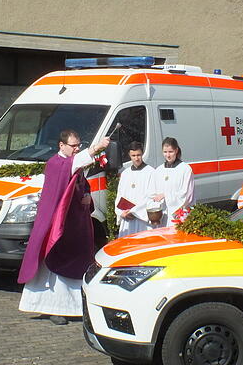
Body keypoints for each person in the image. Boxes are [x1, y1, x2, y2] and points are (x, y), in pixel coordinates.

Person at [18, 130, 110, 325]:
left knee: (74, 261)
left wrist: (87, 196)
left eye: (78, 145)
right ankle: (52, 307)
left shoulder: (71, 163)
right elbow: (73, 167)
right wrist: (97, 147)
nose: (77, 149)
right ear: (62, 146)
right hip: (55, 224)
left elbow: (80, 184)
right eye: (73, 146)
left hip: (73, 221)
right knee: (54, 264)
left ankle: (72, 306)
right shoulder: (56, 164)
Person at [114, 141, 155, 237]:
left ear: (142, 153)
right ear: (129, 155)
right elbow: (120, 195)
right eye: (133, 155)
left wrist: (134, 211)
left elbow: (151, 197)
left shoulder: (151, 172)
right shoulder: (125, 174)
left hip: (142, 219)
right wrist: (121, 213)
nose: (136, 158)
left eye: (139, 155)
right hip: (127, 219)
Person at [152, 137, 195, 226]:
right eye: (165, 152)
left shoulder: (185, 169)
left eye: (170, 152)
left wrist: (165, 195)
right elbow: (153, 193)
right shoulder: (159, 170)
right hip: (162, 216)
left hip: (178, 216)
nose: (168, 155)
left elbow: (187, 195)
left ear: (176, 150)